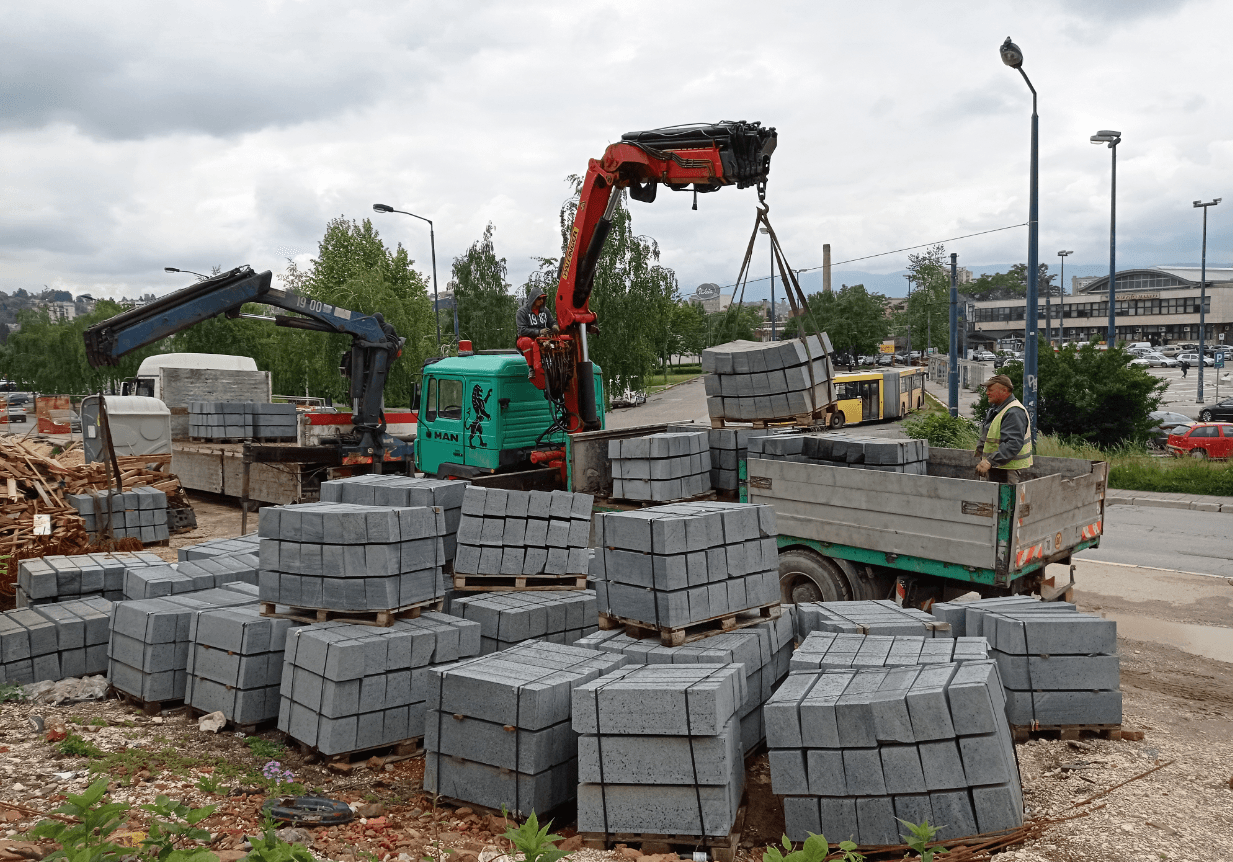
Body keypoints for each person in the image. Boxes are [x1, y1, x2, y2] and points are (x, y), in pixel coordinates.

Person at [974, 373, 1033, 484]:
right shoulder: (999, 409)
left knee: (1005, 501)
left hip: (1005, 471)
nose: (987, 393)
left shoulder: (1013, 412)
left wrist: (990, 461)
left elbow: (1013, 443)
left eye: (991, 390)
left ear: (1004, 391)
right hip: (997, 468)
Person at [516, 288, 557, 386]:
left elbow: (552, 322)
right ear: (533, 299)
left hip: (543, 338)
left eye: (543, 299)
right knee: (528, 343)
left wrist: (555, 326)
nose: (541, 301)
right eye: (539, 299)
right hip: (526, 338)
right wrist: (539, 332)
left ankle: (556, 366)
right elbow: (522, 330)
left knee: (558, 342)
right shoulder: (522, 312)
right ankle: (531, 368)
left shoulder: (545, 311)